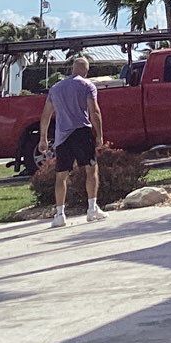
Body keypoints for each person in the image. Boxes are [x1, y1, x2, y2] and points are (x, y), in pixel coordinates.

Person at [40, 56, 105, 228]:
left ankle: (60, 214)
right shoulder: (87, 86)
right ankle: (92, 209)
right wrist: (99, 135)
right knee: (91, 169)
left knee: (61, 175)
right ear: (86, 70)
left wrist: (43, 138)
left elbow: (46, 114)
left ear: (72, 69)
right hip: (82, 131)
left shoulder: (55, 88)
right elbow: (95, 111)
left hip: (62, 136)